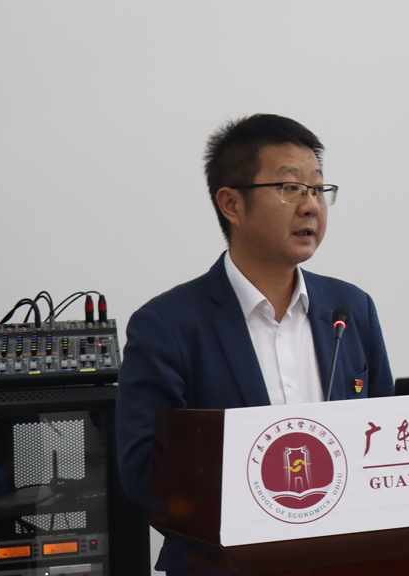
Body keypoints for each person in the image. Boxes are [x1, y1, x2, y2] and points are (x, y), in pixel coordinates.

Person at [115, 114, 394, 575]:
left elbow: (382, 438)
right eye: (290, 188)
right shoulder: (167, 325)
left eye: (318, 189)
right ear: (232, 204)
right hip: (225, 565)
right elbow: (145, 470)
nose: (311, 206)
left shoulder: (351, 309)